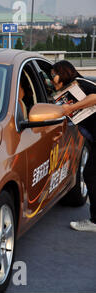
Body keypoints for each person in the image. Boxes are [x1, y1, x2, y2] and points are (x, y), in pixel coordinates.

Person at [53, 60, 96, 232]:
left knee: (90, 175)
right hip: (93, 138)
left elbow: (95, 97)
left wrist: (71, 108)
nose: (52, 79)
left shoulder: (81, 84)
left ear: (63, 73)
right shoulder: (65, 92)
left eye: (54, 74)